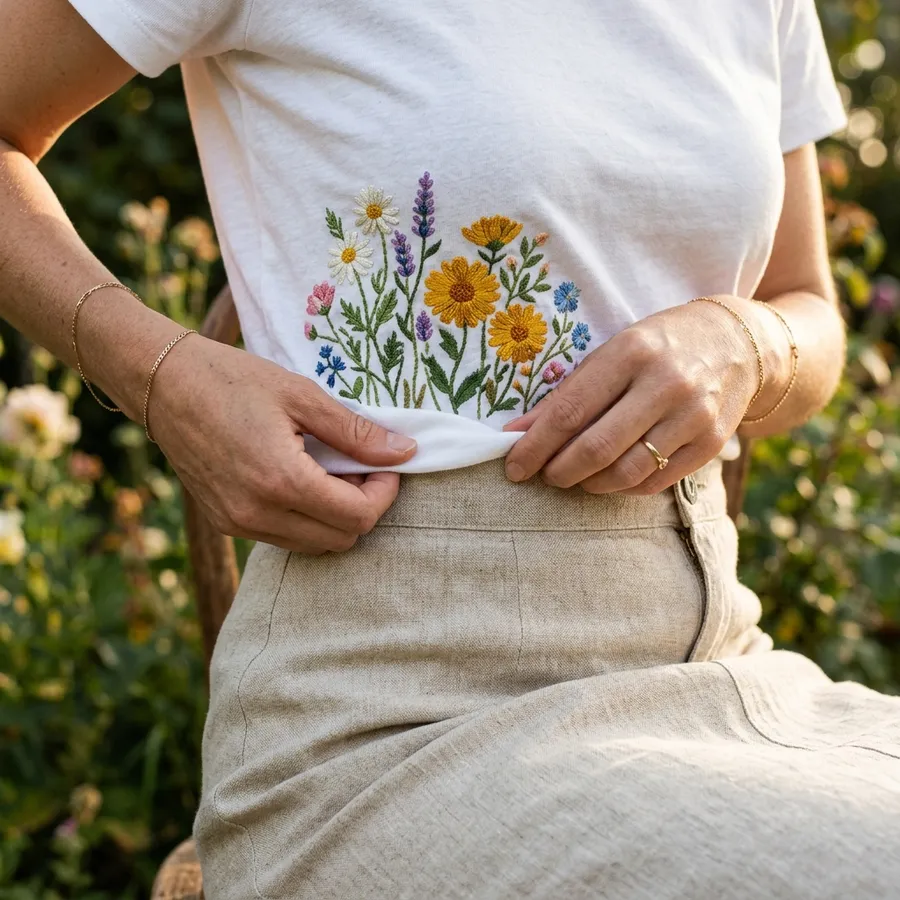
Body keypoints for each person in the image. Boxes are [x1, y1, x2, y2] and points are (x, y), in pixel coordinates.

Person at [1, 0, 898, 896]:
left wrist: (748, 344)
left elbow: (803, 300)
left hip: (721, 667)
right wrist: (163, 378)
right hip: (391, 717)